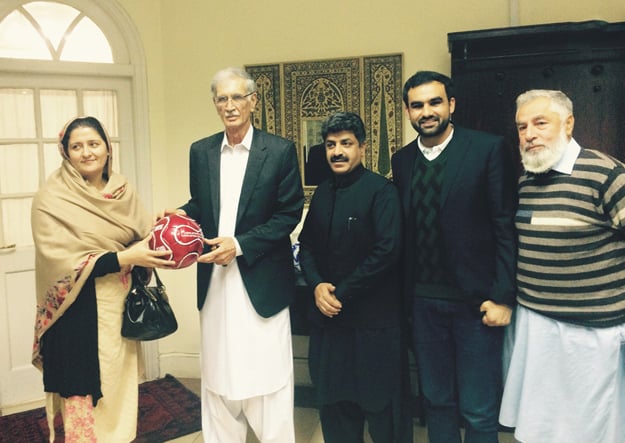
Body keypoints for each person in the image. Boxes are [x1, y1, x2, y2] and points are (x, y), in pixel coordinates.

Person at [161, 67, 304, 442]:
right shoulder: (201, 151)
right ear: (215, 104)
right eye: (222, 99)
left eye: (237, 97)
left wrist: (239, 245)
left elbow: (288, 214)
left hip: (261, 281)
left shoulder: (279, 150)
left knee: (267, 377)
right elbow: (201, 204)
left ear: (253, 101)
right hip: (214, 281)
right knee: (219, 375)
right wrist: (181, 214)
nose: (230, 106)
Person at [391, 71, 517, 443]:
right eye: (417, 105)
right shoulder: (402, 161)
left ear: (451, 105)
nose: (426, 111)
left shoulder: (487, 149)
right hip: (423, 303)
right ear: (408, 111)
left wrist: (503, 296)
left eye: (434, 102)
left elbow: (504, 227)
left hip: (476, 303)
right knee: (436, 401)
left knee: (478, 409)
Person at [31, 116, 174, 442]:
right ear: (65, 152)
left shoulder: (123, 191)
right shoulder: (51, 198)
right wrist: (125, 257)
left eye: (93, 144)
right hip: (76, 312)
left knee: (117, 387)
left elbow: (143, 239)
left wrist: (165, 226)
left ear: (108, 148)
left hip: (118, 306)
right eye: (76, 146)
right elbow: (59, 262)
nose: (86, 152)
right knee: (83, 394)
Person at [499, 89, 625, 443]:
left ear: (568, 124)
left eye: (540, 123)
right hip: (536, 325)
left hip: (591, 333)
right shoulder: (527, 178)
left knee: (588, 429)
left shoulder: (606, 174)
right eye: (522, 127)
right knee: (541, 425)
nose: (529, 134)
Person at [298, 112, 411, 442]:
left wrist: (340, 293)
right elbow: (306, 246)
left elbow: (387, 252)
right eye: (331, 145)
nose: (337, 152)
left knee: (382, 413)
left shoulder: (382, 192)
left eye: (346, 144)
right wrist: (317, 284)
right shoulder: (321, 193)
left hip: (374, 326)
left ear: (362, 147)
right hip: (331, 327)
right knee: (335, 410)